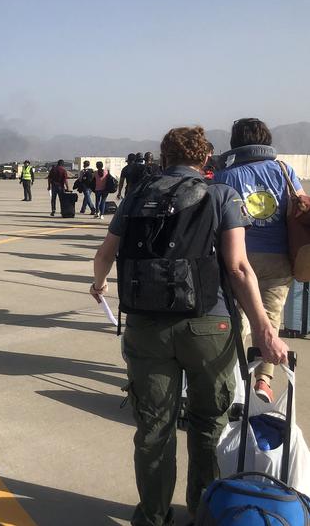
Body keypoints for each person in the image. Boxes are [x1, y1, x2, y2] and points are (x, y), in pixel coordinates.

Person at [91, 125, 289, 525]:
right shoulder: (221, 195)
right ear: (204, 159)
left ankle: (153, 515)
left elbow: (105, 253)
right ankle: (204, 510)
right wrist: (265, 328)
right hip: (209, 326)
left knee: (154, 428)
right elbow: (237, 267)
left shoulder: (135, 198)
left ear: (164, 158)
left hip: (146, 327)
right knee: (207, 425)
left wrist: (99, 284)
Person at [214, 117, 306, 402]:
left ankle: (232, 378)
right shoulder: (283, 169)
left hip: (239, 257)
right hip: (278, 258)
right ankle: (263, 381)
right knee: (271, 318)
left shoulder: (226, 176)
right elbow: (301, 205)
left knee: (238, 319)